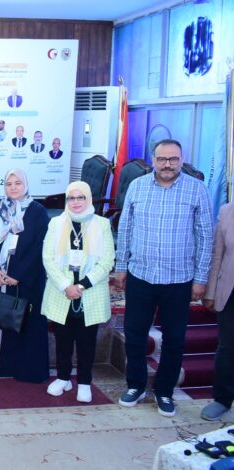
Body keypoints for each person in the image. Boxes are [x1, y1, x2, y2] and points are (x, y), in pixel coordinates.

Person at [115, 139, 213, 417]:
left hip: (179, 279)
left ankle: (165, 391)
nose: (167, 164)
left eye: (173, 159)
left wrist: (201, 278)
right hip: (141, 275)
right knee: (134, 334)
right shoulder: (138, 187)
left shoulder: (197, 189)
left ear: (181, 160)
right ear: (153, 160)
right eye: (162, 159)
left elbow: (206, 237)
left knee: (175, 338)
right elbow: (125, 229)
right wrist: (121, 266)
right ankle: (135, 385)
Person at [41, 182, 114, 402]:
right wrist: (66, 285)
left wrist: (81, 286)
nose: (76, 202)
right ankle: (63, 378)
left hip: (89, 292)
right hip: (61, 291)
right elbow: (47, 258)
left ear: (88, 198)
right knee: (62, 340)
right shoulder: (56, 223)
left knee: (86, 342)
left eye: (80, 197)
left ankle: (84, 382)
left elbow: (107, 261)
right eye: (71, 198)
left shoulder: (101, 224)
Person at [0, 168, 50, 383]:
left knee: (25, 323)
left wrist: (18, 275)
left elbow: (40, 248)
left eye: (18, 183)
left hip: (26, 279)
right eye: (9, 184)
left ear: (26, 185)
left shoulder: (37, 211)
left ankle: (21, 368)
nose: (13, 187)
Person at [201, 202, 234, 422]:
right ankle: (222, 399)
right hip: (230, 292)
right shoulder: (227, 211)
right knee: (227, 347)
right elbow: (217, 255)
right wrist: (211, 292)